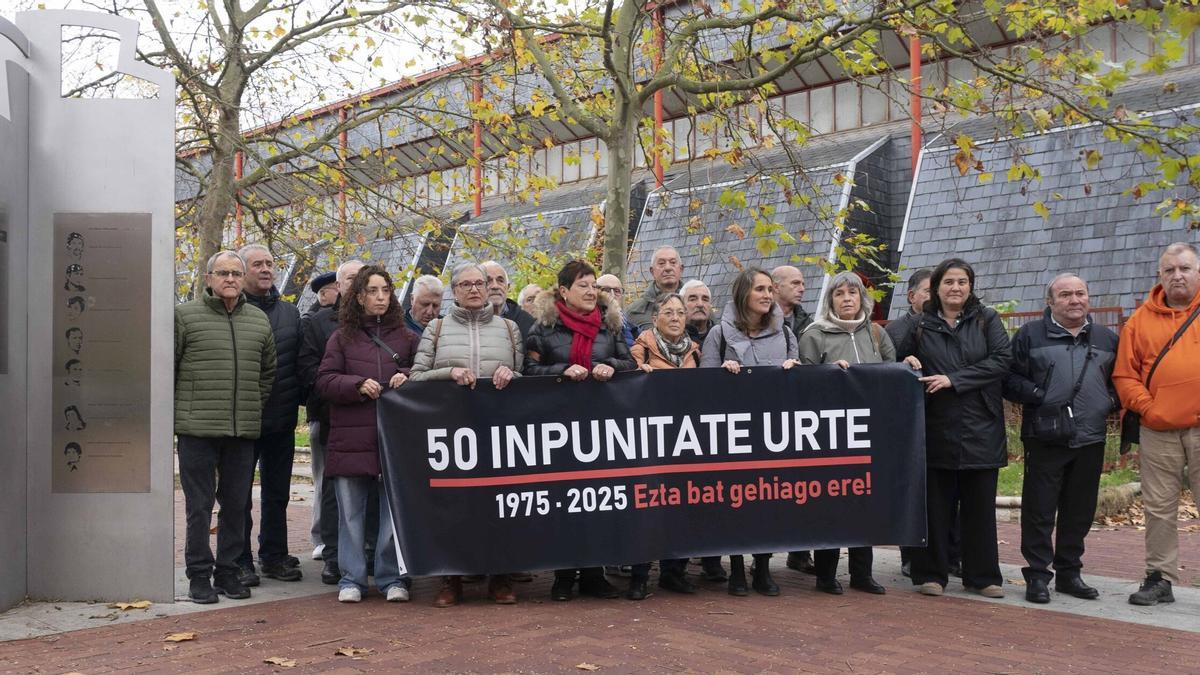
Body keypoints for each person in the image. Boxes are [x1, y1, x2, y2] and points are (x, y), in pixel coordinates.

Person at [408, 262, 524, 607]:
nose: (474, 289)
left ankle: (500, 577)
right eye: (465, 284)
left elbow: (526, 380)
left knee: (500, 505)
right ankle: (451, 578)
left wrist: (512, 375)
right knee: (453, 506)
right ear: (454, 292)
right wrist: (449, 373)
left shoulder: (509, 329)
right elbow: (416, 377)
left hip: (498, 431)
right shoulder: (437, 329)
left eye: (479, 283)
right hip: (452, 431)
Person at [894, 258, 1011, 598]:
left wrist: (954, 379)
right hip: (935, 424)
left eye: (962, 282)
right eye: (948, 282)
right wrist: (907, 361)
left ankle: (983, 576)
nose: (955, 288)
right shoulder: (920, 324)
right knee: (935, 505)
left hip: (981, 424)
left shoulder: (987, 319)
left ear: (970, 287)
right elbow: (898, 360)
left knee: (980, 507)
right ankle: (931, 574)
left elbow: (1001, 360)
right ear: (937, 288)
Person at [798, 271, 921, 596]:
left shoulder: (876, 333)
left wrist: (908, 365)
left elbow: (892, 376)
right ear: (830, 300)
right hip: (829, 435)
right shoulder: (814, 334)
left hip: (870, 432)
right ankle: (826, 574)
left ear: (862, 299)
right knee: (831, 504)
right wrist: (829, 374)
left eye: (853, 293)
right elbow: (803, 384)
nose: (847, 299)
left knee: (866, 500)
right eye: (840, 294)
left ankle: (862, 573)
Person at [1004, 273, 1119, 604]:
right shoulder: (1030, 335)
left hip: (1090, 437)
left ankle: (1069, 573)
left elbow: (1121, 379)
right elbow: (1008, 378)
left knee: (1079, 509)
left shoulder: (1106, 338)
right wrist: (1039, 395)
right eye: (1065, 294)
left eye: (1080, 293)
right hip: (1045, 436)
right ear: (1050, 302)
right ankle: (1038, 575)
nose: (1074, 300)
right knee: (1039, 509)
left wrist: (1108, 402)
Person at [525, 259, 636, 601]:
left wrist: (609, 366)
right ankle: (563, 576)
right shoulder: (543, 327)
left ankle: (593, 574)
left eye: (594, 285)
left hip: (601, 427)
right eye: (583, 285)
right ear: (563, 291)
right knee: (565, 502)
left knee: (597, 502)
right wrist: (561, 370)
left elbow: (630, 362)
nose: (591, 292)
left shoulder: (610, 323)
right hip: (558, 426)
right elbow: (527, 369)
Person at [175, 250, 277, 604]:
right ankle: (198, 575)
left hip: (241, 430)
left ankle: (228, 573)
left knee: (236, 506)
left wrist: (251, 405)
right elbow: (169, 369)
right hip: (197, 430)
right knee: (199, 507)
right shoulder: (185, 316)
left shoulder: (258, 321)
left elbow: (267, 372)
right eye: (223, 273)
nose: (230, 279)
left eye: (236, 273)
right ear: (209, 278)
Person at [316, 265, 418, 604]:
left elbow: (424, 371)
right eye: (372, 291)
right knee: (350, 515)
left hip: (394, 440)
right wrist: (357, 385)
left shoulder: (407, 338)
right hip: (351, 439)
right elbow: (325, 381)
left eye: (385, 291)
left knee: (393, 515)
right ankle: (352, 579)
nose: (380, 297)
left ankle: (392, 578)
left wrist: (407, 375)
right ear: (359, 297)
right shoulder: (341, 338)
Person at [700, 267, 798, 596]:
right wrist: (722, 375)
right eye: (760, 289)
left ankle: (763, 567)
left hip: (772, 434)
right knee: (736, 503)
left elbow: (800, 384)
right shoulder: (719, 335)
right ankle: (737, 568)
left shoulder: (786, 335)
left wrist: (795, 372)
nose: (767, 295)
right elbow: (702, 387)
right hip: (733, 435)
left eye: (770, 289)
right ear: (744, 294)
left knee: (768, 502)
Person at [1114, 242, 1200, 607]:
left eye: (1185, 268)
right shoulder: (1139, 321)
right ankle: (1159, 578)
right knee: (1159, 507)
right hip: (1157, 429)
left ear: (1198, 272)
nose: (1177, 276)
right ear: (1160, 275)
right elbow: (1124, 374)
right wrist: (1148, 409)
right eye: (1170, 270)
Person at [234, 244, 304, 587]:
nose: (265, 269)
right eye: (257, 264)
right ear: (242, 271)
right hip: (242, 421)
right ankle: (239, 560)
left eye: (270, 263)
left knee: (278, 494)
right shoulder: (231, 312)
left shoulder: (291, 314)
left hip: (281, 420)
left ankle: (274, 556)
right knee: (238, 496)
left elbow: (300, 364)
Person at [626, 293, 700, 599]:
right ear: (655, 319)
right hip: (650, 442)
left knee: (681, 507)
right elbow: (627, 385)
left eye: (680, 312)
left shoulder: (695, 351)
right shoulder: (640, 348)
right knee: (647, 510)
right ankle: (639, 576)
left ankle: (673, 572)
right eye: (668, 312)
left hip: (685, 441)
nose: (675, 318)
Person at [299, 259, 365, 581]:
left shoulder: (383, 322)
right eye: (350, 278)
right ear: (338, 286)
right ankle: (333, 554)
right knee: (332, 488)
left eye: (362, 277)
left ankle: (367, 551)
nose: (357, 283)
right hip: (333, 417)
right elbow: (308, 371)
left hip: (372, 419)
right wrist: (345, 389)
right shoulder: (318, 323)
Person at [884, 268, 941, 579]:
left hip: (941, 418)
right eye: (929, 291)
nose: (936, 296)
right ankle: (911, 556)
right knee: (912, 491)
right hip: (907, 422)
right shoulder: (895, 330)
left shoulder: (949, 324)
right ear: (912, 296)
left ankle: (948, 554)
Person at [627, 246, 683, 330]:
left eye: (673, 262)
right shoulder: (635, 312)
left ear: (681, 269)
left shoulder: (694, 305)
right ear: (652, 271)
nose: (668, 268)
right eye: (661, 263)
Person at [482, 261, 536, 339]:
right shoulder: (468, 320)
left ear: (508, 287)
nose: (495, 286)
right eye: (488, 281)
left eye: (500, 281)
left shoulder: (527, 321)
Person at [596, 273, 639, 347]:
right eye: (606, 290)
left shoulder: (634, 330)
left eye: (617, 291)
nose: (612, 295)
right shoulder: (588, 325)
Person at [771, 265, 812, 337]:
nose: (802, 289)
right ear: (776, 287)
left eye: (803, 284)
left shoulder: (809, 325)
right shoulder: (759, 320)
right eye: (795, 283)